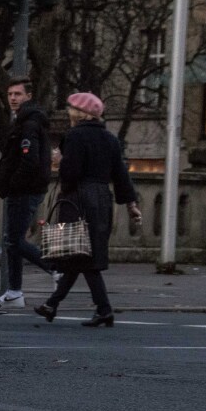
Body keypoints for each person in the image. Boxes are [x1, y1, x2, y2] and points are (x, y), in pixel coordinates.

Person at [35, 93, 141, 327]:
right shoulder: (110, 139)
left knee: (81, 255)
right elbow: (121, 175)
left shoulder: (75, 136)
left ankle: (102, 309)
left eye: (71, 108)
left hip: (78, 199)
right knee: (81, 255)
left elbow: (70, 172)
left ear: (79, 113)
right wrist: (131, 205)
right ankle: (52, 304)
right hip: (102, 199)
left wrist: (60, 168)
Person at [0, 77, 53, 307]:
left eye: (17, 94)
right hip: (24, 188)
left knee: (14, 241)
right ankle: (14, 291)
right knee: (12, 240)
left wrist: (12, 183)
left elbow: (29, 160)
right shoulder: (24, 120)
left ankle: (53, 268)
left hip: (24, 189)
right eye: (10, 94)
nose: (12, 98)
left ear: (28, 95)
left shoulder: (29, 123)